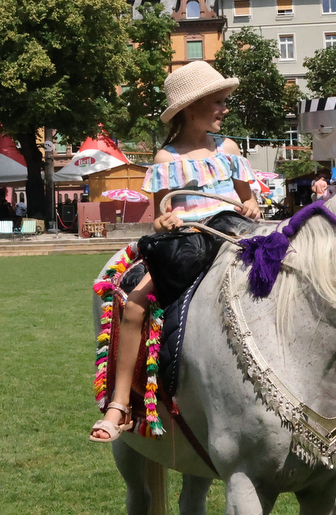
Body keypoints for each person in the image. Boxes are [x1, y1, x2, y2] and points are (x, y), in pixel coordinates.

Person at [91, 62, 261, 441]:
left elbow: (250, 203)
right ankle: (120, 403)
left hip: (234, 237)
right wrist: (165, 223)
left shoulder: (229, 148)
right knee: (135, 303)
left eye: (224, 101)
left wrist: (250, 207)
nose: (225, 109)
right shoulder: (166, 160)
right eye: (217, 102)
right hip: (190, 244)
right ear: (190, 107)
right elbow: (158, 217)